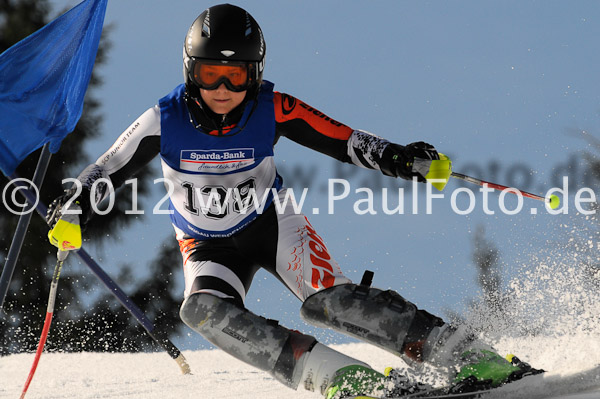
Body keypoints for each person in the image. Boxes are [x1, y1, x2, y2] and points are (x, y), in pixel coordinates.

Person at [46, 4, 540, 398]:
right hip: (205, 246)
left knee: (329, 303)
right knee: (200, 311)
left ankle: (468, 355)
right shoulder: (164, 119)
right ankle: (342, 380)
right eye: (210, 73)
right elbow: (106, 170)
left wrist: (398, 157)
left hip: (272, 225)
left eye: (236, 76)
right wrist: (73, 207)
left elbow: (342, 139)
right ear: (190, 71)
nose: (222, 89)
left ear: (254, 74)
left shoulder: (271, 107)